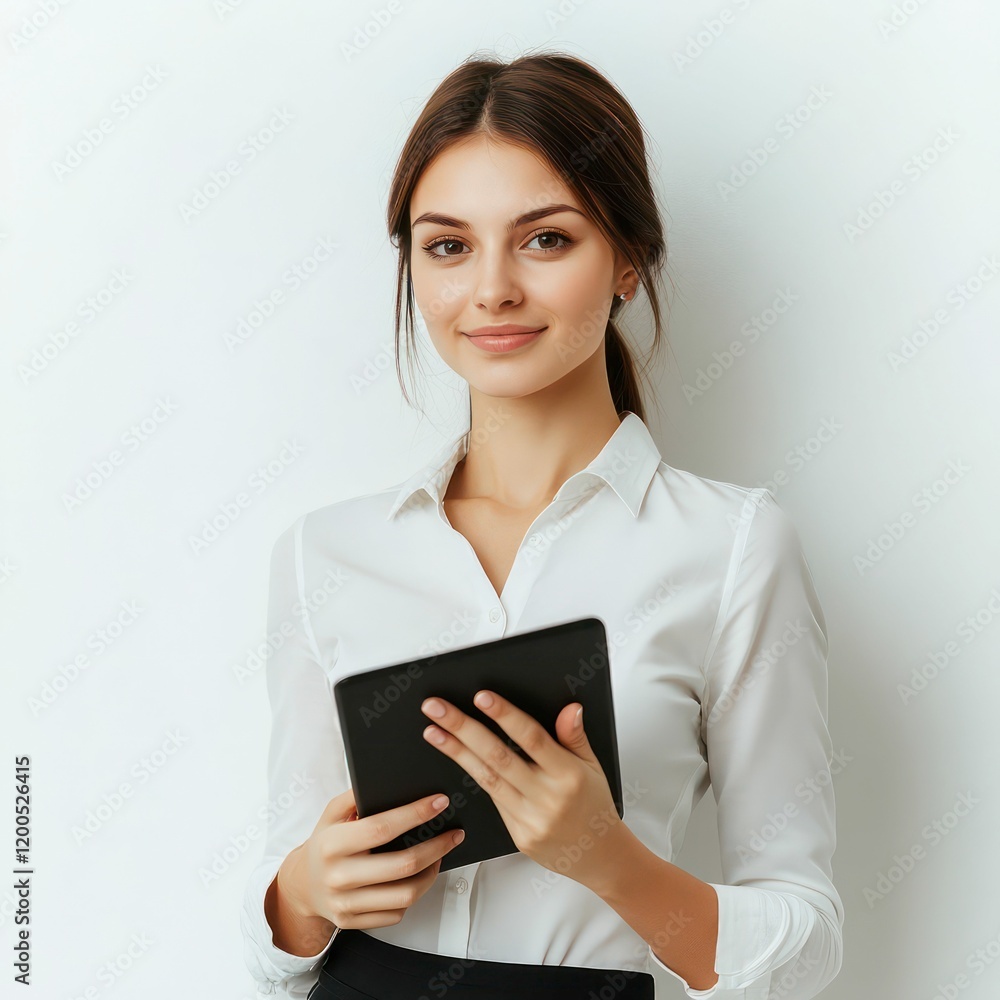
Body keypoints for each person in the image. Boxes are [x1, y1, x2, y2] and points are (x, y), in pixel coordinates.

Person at [241, 50, 844, 1000]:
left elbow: (806, 946)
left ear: (630, 260)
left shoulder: (734, 550)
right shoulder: (326, 553)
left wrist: (606, 858)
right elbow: (278, 933)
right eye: (448, 246)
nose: (492, 291)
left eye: (545, 240)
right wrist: (304, 894)